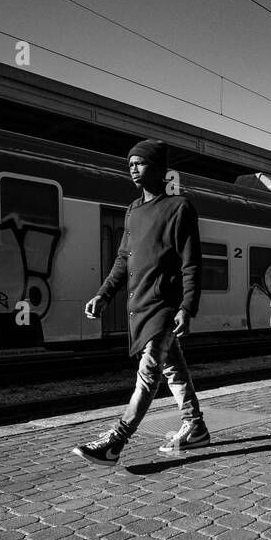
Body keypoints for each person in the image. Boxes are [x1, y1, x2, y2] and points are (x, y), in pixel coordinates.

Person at [73, 139, 209, 465]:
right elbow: (124, 259)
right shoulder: (133, 210)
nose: (133, 167)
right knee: (172, 368)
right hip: (141, 305)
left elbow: (191, 263)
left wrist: (186, 307)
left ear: (160, 169)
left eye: (141, 162)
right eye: (130, 162)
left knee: (148, 373)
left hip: (163, 305)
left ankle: (115, 443)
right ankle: (196, 427)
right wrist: (104, 294)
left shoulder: (179, 208)